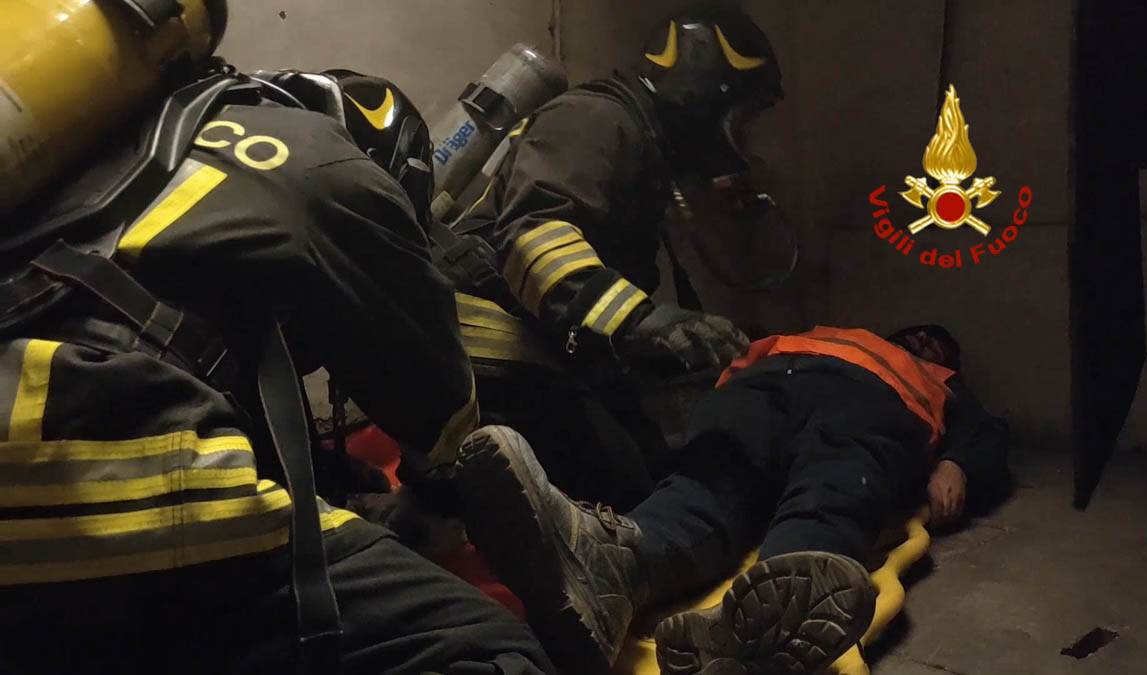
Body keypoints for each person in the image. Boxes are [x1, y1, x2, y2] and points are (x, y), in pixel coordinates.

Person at [0, 3, 552, 673]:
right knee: (489, 647)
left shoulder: (135, 144)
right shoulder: (325, 161)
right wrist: (439, 497)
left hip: (35, 449)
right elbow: (439, 407)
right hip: (84, 453)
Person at [456, 324, 1010, 674]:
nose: (922, 345)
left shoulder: (938, 381)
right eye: (918, 335)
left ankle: (760, 631)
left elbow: (985, 432)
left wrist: (957, 462)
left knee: (830, 496)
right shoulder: (824, 330)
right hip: (763, 390)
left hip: (870, 408)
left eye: (936, 346)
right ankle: (613, 570)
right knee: (699, 491)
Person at [437, 8, 784, 506]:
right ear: (704, 92)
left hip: (533, 343)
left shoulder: (640, 138)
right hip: (487, 344)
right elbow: (534, 237)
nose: (740, 137)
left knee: (657, 461)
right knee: (626, 490)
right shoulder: (595, 118)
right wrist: (642, 320)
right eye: (740, 117)